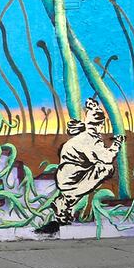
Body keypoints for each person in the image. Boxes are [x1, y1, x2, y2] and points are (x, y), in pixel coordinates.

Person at [34, 96, 123, 235]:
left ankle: (64, 206)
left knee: (74, 191)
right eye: (101, 124)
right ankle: (64, 204)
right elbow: (107, 157)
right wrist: (117, 144)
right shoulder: (91, 140)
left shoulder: (82, 136)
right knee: (106, 168)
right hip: (72, 178)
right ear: (98, 124)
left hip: (65, 176)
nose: (102, 127)